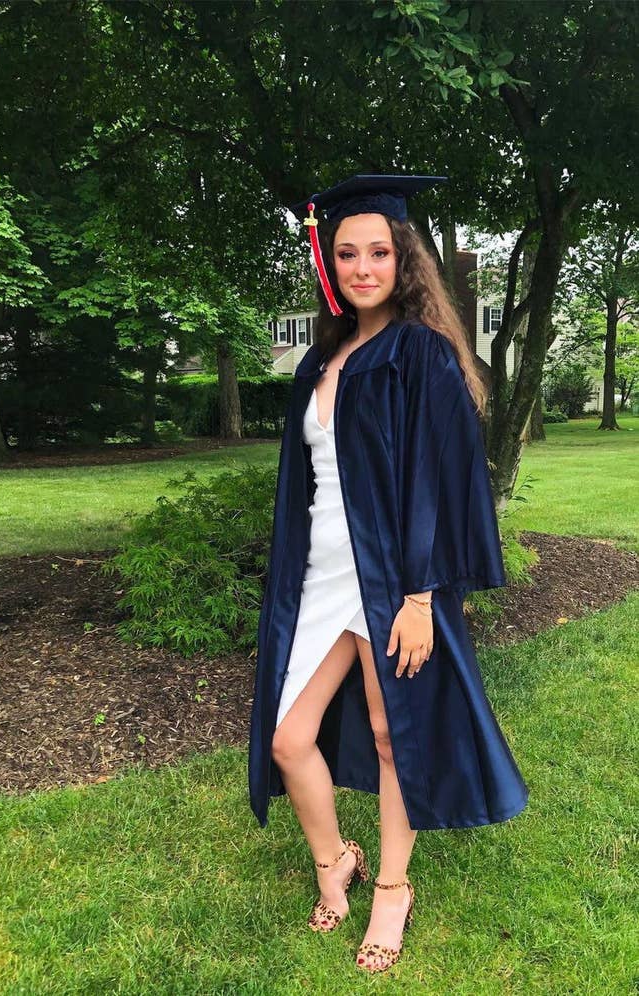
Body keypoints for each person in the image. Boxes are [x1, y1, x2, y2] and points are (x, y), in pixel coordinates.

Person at [247, 174, 529, 975]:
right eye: (346, 253)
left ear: (403, 259)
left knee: (388, 731)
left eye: (378, 252)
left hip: (390, 580)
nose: (362, 267)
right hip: (323, 576)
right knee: (288, 737)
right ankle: (334, 857)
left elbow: (441, 480)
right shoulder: (325, 356)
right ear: (328, 263)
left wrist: (418, 597)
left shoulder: (421, 354)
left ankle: (392, 889)